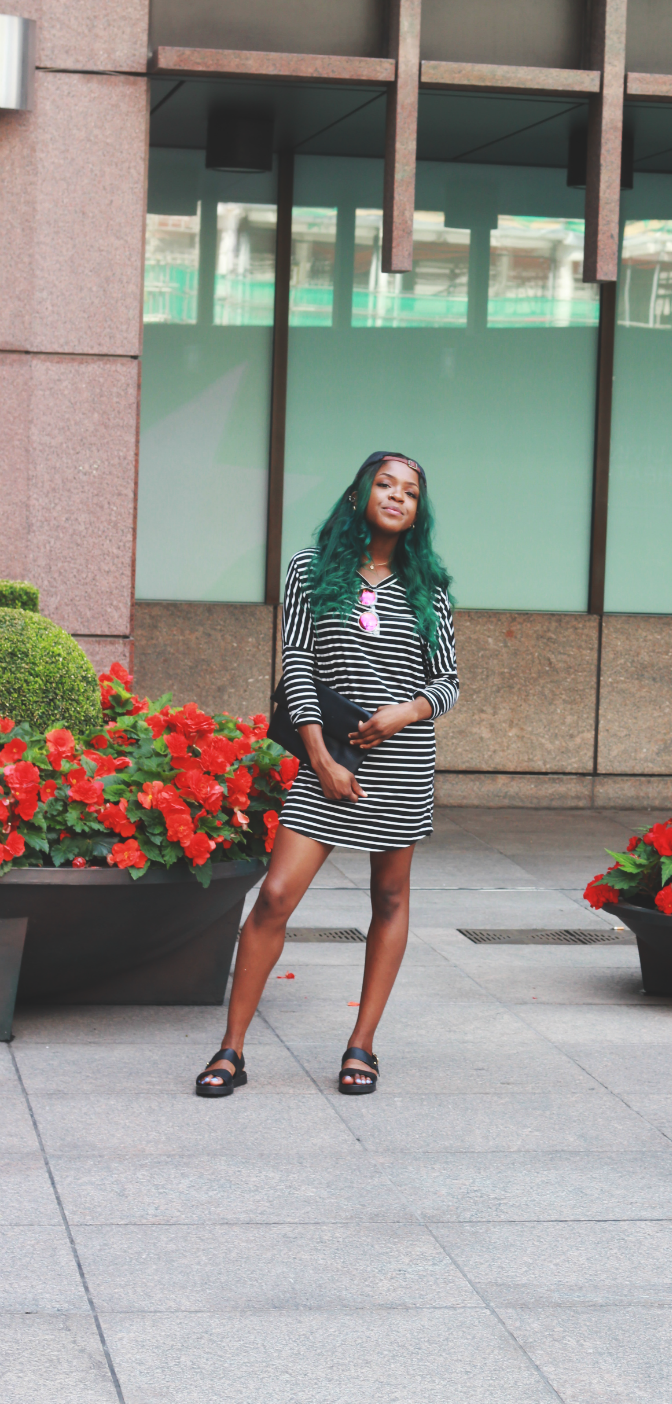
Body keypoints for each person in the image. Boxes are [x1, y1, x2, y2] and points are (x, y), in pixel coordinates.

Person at [194, 451, 458, 1098]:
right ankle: (231, 1048)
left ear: (418, 512)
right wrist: (319, 757)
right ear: (358, 494)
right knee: (275, 896)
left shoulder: (430, 588)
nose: (397, 497)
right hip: (327, 758)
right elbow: (298, 665)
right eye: (385, 484)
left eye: (410, 492)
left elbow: (448, 682)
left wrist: (404, 713)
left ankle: (361, 1045)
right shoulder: (309, 569)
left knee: (389, 899)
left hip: (401, 764)